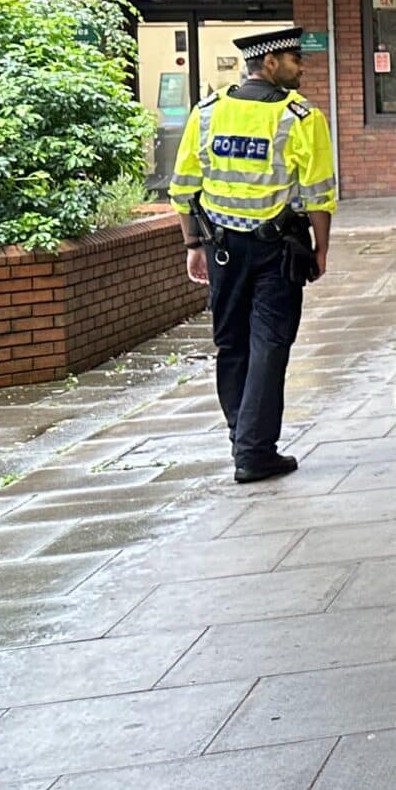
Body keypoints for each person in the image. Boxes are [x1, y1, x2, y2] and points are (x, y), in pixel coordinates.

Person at [168, 25, 336, 484]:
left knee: (233, 344)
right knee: (270, 344)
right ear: (269, 64)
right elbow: (318, 194)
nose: (302, 67)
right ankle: (255, 451)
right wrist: (322, 249)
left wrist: (192, 245)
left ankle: (240, 436)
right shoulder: (300, 117)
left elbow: (184, 187)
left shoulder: (206, 114)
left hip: (220, 248)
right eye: (295, 59)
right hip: (276, 250)